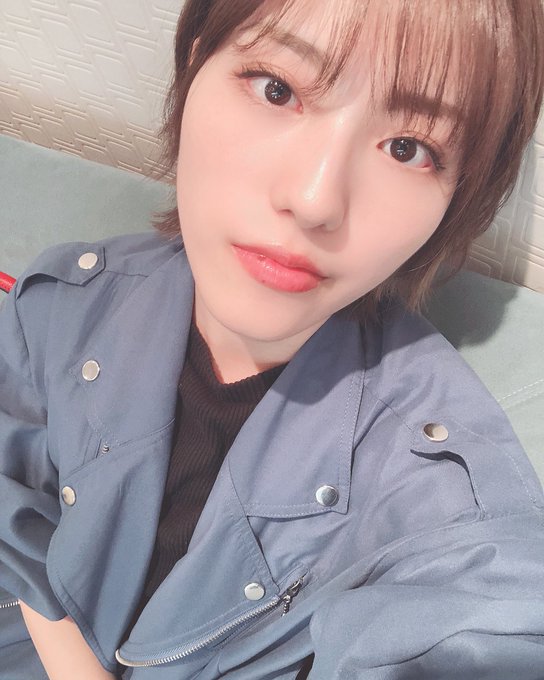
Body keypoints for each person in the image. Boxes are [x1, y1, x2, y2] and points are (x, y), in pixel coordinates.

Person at [1, 0, 544, 678]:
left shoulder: (442, 498)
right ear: (195, 62)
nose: (316, 200)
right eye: (277, 88)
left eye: (409, 149)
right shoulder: (64, 303)